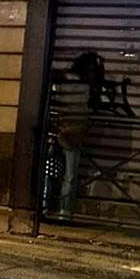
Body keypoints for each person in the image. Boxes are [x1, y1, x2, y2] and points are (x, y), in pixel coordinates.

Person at [48, 51, 104, 220]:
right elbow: (87, 108)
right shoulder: (85, 86)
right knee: (70, 175)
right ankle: (64, 211)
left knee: (51, 171)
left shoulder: (65, 82)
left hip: (59, 130)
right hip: (73, 132)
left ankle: (46, 206)